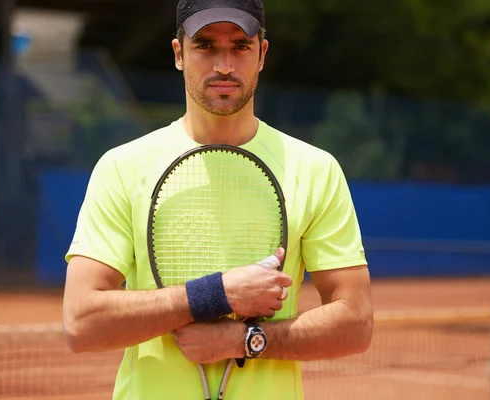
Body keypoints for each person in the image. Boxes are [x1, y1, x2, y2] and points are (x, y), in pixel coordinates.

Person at [62, 0, 373, 398]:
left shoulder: (315, 169)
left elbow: (356, 322)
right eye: (205, 45)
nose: (223, 64)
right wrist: (215, 294)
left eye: (240, 46)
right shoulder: (123, 167)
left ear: (261, 54)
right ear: (179, 54)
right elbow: (81, 322)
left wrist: (246, 340)